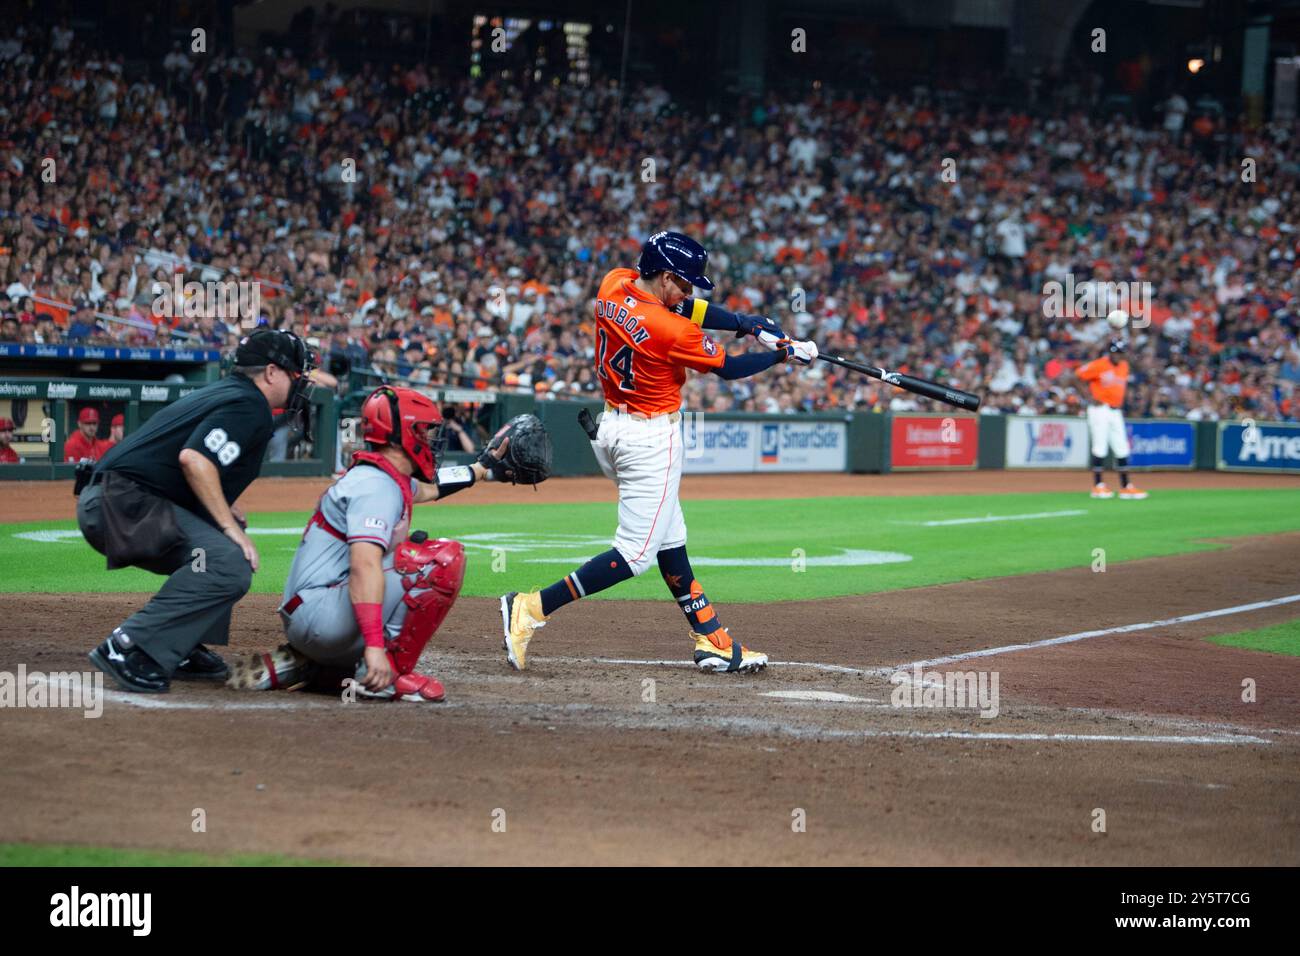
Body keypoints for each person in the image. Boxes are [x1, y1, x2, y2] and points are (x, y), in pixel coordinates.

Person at [499, 230, 816, 674]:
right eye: (683, 283)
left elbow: (684, 306)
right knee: (633, 555)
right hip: (650, 440)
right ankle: (531, 608)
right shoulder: (669, 328)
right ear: (664, 276)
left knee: (671, 539)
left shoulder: (614, 282)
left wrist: (747, 323)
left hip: (612, 428)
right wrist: (782, 354)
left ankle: (713, 638)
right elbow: (728, 367)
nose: (688, 292)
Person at [227, 385, 514, 702]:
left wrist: (483, 467)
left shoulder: (382, 477)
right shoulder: (376, 486)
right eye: (425, 430)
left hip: (315, 612)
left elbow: (432, 489)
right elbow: (363, 566)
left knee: (408, 558)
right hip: (321, 614)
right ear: (404, 432)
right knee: (440, 560)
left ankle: (318, 667)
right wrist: (375, 647)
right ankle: (386, 673)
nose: (431, 439)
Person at [78, 329, 315, 693]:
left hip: (118, 498)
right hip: (123, 503)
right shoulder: (249, 404)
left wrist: (226, 511)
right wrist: (229, 527)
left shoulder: (231, 393)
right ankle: (131, 645)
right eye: (295, 375)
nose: (300, 384)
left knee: (221, 537)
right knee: (229, 561)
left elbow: (185, 456)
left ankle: (181, 644)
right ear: (271, 372)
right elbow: (194, 458)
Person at [1077, 338, 1147, 500]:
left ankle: (1125, 486)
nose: (1118, 355)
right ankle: (1098, 485)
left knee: (1122, 447)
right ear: (1109, 352)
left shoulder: (1124, 366)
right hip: (1099, 409)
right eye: (1115, 352)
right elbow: (1077, 377)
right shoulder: (1099, 364)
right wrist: (1088, 397)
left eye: (1121, 352)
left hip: (1116, 411)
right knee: (1099, 446)